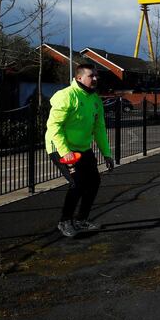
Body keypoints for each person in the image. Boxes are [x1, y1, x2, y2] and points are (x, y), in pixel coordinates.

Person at [45, 63, 114, 237]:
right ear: (79, 78)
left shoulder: (95, 99)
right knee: (77, 183)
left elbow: (99, 129)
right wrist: (64, 151)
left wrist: (107, 153)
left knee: (94, 182)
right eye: (91, 76)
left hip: (83, 147)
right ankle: (65, 221)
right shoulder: (66, 96)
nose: (95, 79)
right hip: (60, 147)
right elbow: (54, 126)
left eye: (96, 76)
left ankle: (81, 220)